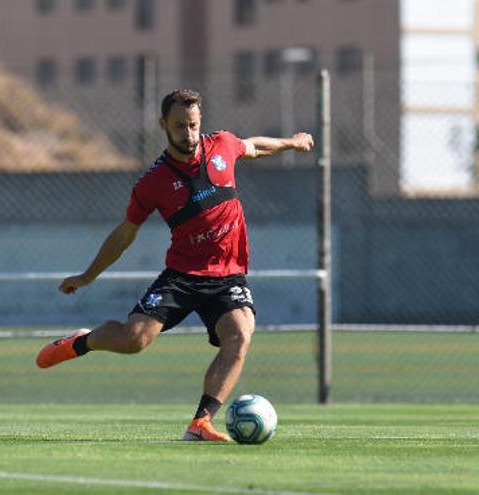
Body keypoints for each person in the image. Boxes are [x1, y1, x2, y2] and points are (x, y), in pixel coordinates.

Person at [36, 88, 314, 441]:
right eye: (180, 126)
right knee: (134, 340)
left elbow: (253, 146)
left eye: (194, 125)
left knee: (240, 335)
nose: (189, 134)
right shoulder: (151, 182)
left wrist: (291, 142)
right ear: (162, 125)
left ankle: (201, 423)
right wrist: (87, 276)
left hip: (228, 275)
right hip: (182, 276)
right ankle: (83, 341)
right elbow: (124, 234)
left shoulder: (222, 146)